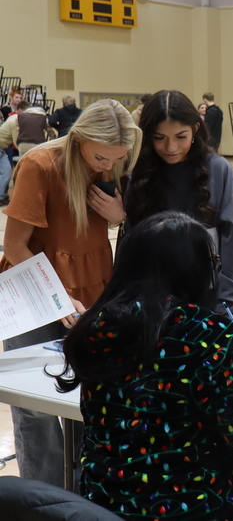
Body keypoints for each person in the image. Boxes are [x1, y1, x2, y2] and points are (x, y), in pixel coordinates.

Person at [51, 211, 233, 521]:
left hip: (103, 508)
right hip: (195, 507)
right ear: (198, 271)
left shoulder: (97, 325)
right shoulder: (210, 333)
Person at [2, 99, 141, 487]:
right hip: (35, 291)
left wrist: (121, 217)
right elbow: (14, 246)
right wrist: (58, 296)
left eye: (118, 158)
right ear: (79, 138)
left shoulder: (114, 164)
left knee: (89, 395)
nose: (108, 167)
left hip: (93, 287)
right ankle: (42, 495)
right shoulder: (40, 165)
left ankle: (85, 488)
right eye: (100, 157)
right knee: (35, 409)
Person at [123, 90, 233, 308]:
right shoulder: (136, 172)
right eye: (159, 138)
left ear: (195, 129)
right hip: (148, 301)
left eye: (181, 137)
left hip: (207, 301)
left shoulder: (219, 170)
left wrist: (226, 304)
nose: (171, 148)